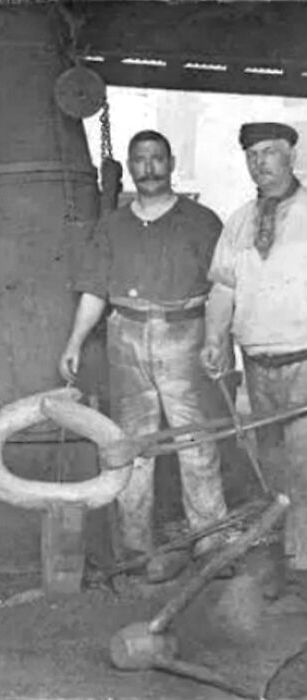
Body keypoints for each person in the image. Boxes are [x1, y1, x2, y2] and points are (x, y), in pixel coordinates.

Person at [59, 130, 230, 575]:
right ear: (130, 167)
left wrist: (217, 341)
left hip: (185, 333)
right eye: (140, 159)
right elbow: (95, 290)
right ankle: (136, 550)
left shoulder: (202, 221)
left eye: (157, 158)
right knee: (132, 445)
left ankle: (211, 542)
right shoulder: (113, 226)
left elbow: (224, 290)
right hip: (126, 334)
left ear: (170, 163)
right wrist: (75, 341)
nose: (149, 166)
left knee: (196, 440)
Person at [201, 122, 307, 600]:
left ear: (291, 157)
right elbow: (224, 287)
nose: (259, 162)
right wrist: (213, 338)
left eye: (270, 152)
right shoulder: (239, 220)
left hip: (305, 361)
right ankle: (285, 562)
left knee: (305, 465)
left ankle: (300, 569)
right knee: (273, 468)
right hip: (257, 365)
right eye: (252, 154)